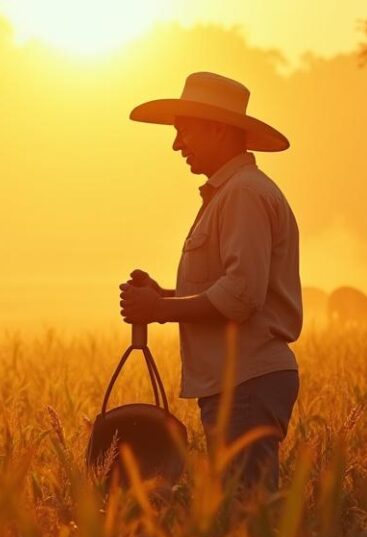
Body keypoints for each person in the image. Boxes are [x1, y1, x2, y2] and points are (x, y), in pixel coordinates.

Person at [119, 72, 302, 490]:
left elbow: (240, 295)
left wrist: (160, 309)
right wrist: (163, 296)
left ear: (218, 129)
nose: (176, 144)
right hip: (236, 383)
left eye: (184, 131)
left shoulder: (243, 194)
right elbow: (227, 288)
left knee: (246, 519)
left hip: (247, 382)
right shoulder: (230, 194)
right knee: (239, 514)